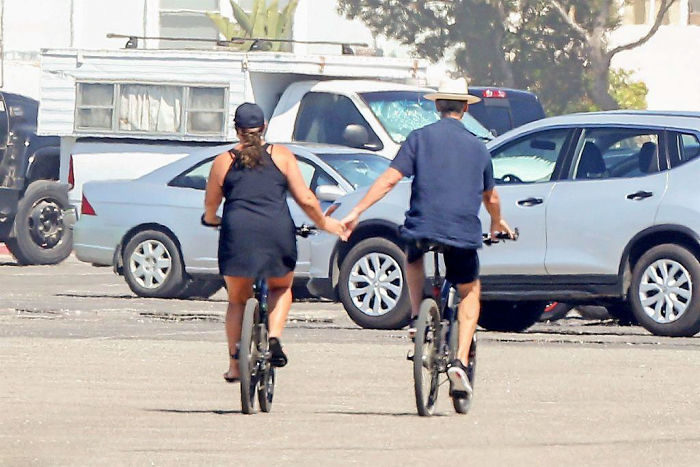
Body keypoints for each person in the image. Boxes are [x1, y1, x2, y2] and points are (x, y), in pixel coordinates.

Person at [340, 78, 514, 395]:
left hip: (422, 226)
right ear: (464, 108)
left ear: (437, 106)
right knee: (470, 289)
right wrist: (498, 222)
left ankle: (416, 316)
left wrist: (357, 211)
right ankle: (460, 362)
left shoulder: (419, 138)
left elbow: (389, 180)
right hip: (461, 230)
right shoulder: (478, 147)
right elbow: (491, 197)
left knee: (413, 256)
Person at [204, 102, 346, 383]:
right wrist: (325, 223)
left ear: (237, 130)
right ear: (264, 127)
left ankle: (234, 365)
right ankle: (274, 337)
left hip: (237, 235)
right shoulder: (281, 156)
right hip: (276, 233)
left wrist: (212, 219)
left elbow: (211, 204)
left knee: (236, 300)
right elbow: (305, 199)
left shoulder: (224, 161)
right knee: (281, 287)